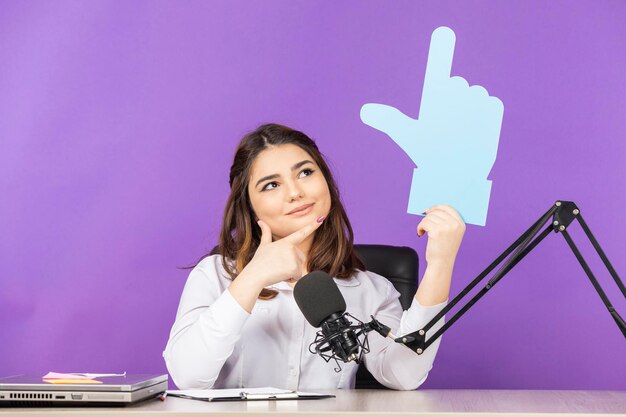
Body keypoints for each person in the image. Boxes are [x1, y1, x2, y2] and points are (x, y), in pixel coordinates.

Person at [163, 123, 466, 391]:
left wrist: (440, 264)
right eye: (271, 184)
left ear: (327, 184)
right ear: (249, 205)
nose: (295, 192)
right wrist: (253, 276)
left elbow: (404, 375)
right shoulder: (214, 275)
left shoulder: (369, 289)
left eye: (305, 172)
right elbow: (189, 375)